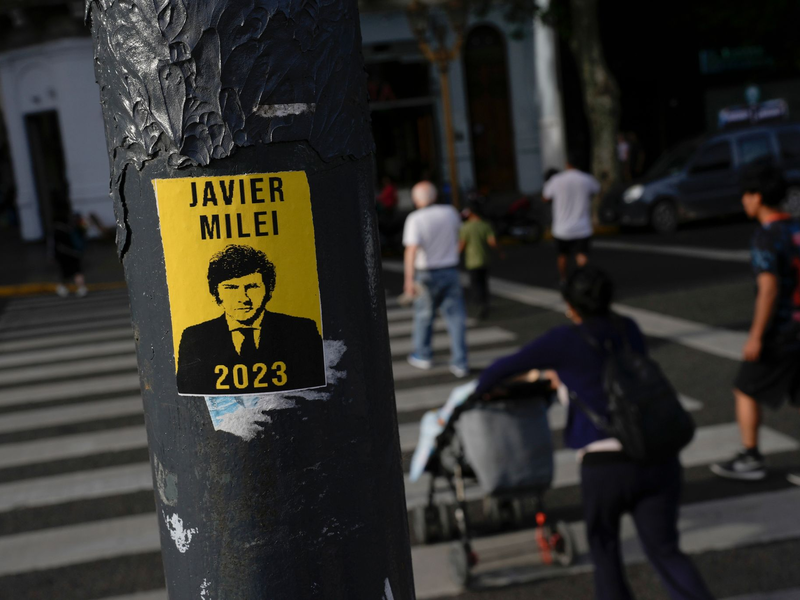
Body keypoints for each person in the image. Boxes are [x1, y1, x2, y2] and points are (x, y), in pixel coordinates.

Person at [475, 266, 714, 600]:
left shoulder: (563, 340)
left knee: (605, 550)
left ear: (571, 306)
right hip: (655, 453)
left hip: (603, 464)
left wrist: (477, 394)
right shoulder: (629, 328)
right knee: (666, 551)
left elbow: (502, 368)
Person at [710, 163, 800, 485]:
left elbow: (768, 288)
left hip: (782, 330)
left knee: (745, 388)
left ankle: (751, 456)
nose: (743, 202)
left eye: (745, 195)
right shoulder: (796, 228)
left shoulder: (765, 237)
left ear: (757, 197)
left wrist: (756, 336)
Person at [176, 244, 325, 396]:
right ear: (216, 294)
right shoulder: (195, 337)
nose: (243, 298)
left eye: (252, 287)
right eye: (231, 288)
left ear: (269, 290)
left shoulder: (302, 331)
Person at [403, 181, 469, 378]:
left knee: (424, 316)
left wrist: (408, 280)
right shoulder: (450, 212)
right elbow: (460, 236)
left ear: (416, 199)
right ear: (434, 196)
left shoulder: (415, 218)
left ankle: (423, 355)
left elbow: (411, 251)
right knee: (456, 318)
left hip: (426, 274)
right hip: (450, 270)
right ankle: (460, 362)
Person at [542, 154, 600, 283]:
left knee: (562, 256)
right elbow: (597, 191)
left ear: (567, 164)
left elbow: (545, 197)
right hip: (582, 227)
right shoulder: (587, 179)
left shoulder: (556, 180)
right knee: (582, 255)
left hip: (561, 228)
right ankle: (584, 280)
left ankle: (564, 280)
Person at [459, 201, 502, 320]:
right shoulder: (485, 225)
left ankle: (480, 305)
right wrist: (500, 252)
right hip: (485, 259)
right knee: (484, 282)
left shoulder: (465, 227)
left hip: (472, 261)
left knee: (476, 285)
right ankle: (486, 303)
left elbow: (461, 245)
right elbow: (492, 242)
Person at [52, 205, 88, 298]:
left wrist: (53, 256)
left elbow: (55, 245)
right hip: (74, 253)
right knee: (77, 271)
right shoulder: (72, 224)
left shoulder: (57, 228)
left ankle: (63, 288)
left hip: (64, 254)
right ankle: (81, 288)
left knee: (65, 272)